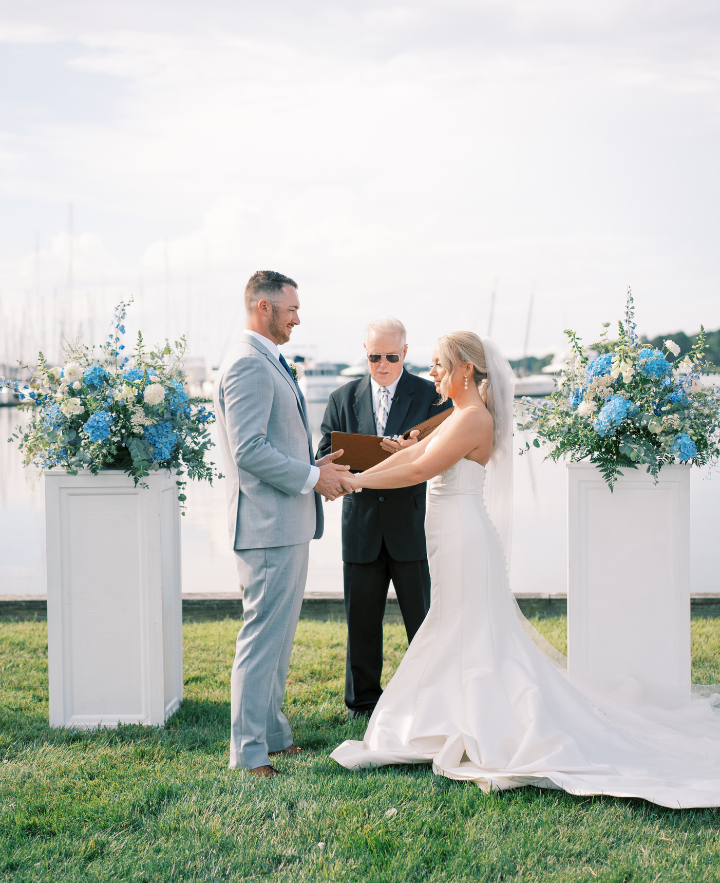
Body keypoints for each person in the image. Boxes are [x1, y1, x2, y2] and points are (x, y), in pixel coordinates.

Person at [331, 331, 720, 809]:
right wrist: (369, 466)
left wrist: (352, 483)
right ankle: (445, 715)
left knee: (464, 628)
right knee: (457, 627)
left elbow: (419, 471)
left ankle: (461, 719)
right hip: (452, 537)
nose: (432, 372)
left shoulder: (473, 418)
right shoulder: (458, 416)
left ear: (465, 371)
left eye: (438, 364)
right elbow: (411, 455)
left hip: (464, 539)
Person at [214, 270, 354, 778]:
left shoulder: (265, 360)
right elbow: (249, 449)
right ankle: (248, 756)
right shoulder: (248, 365)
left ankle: (272, 736)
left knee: (278, 638)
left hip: (286, 524)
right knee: (260, 641)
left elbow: (279, 440)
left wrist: (320, 466)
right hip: (266, 525)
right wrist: (314, 477)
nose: (298, 317)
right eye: (291, 308)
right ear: (263, 308)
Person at [316, 317, 452, 719]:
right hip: (360, 526)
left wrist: (411, 450)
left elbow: (444, 452)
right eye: (374, 356)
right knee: (361, 622)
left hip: (411, 525)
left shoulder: (430, 395)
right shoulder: (342, 397)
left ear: (405, 354)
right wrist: (354, 465)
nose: (382, 364)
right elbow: (326, 449)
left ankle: (429, 697)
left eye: (391, 356)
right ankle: (362, 703)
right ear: (366, 353)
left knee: (422, 620)